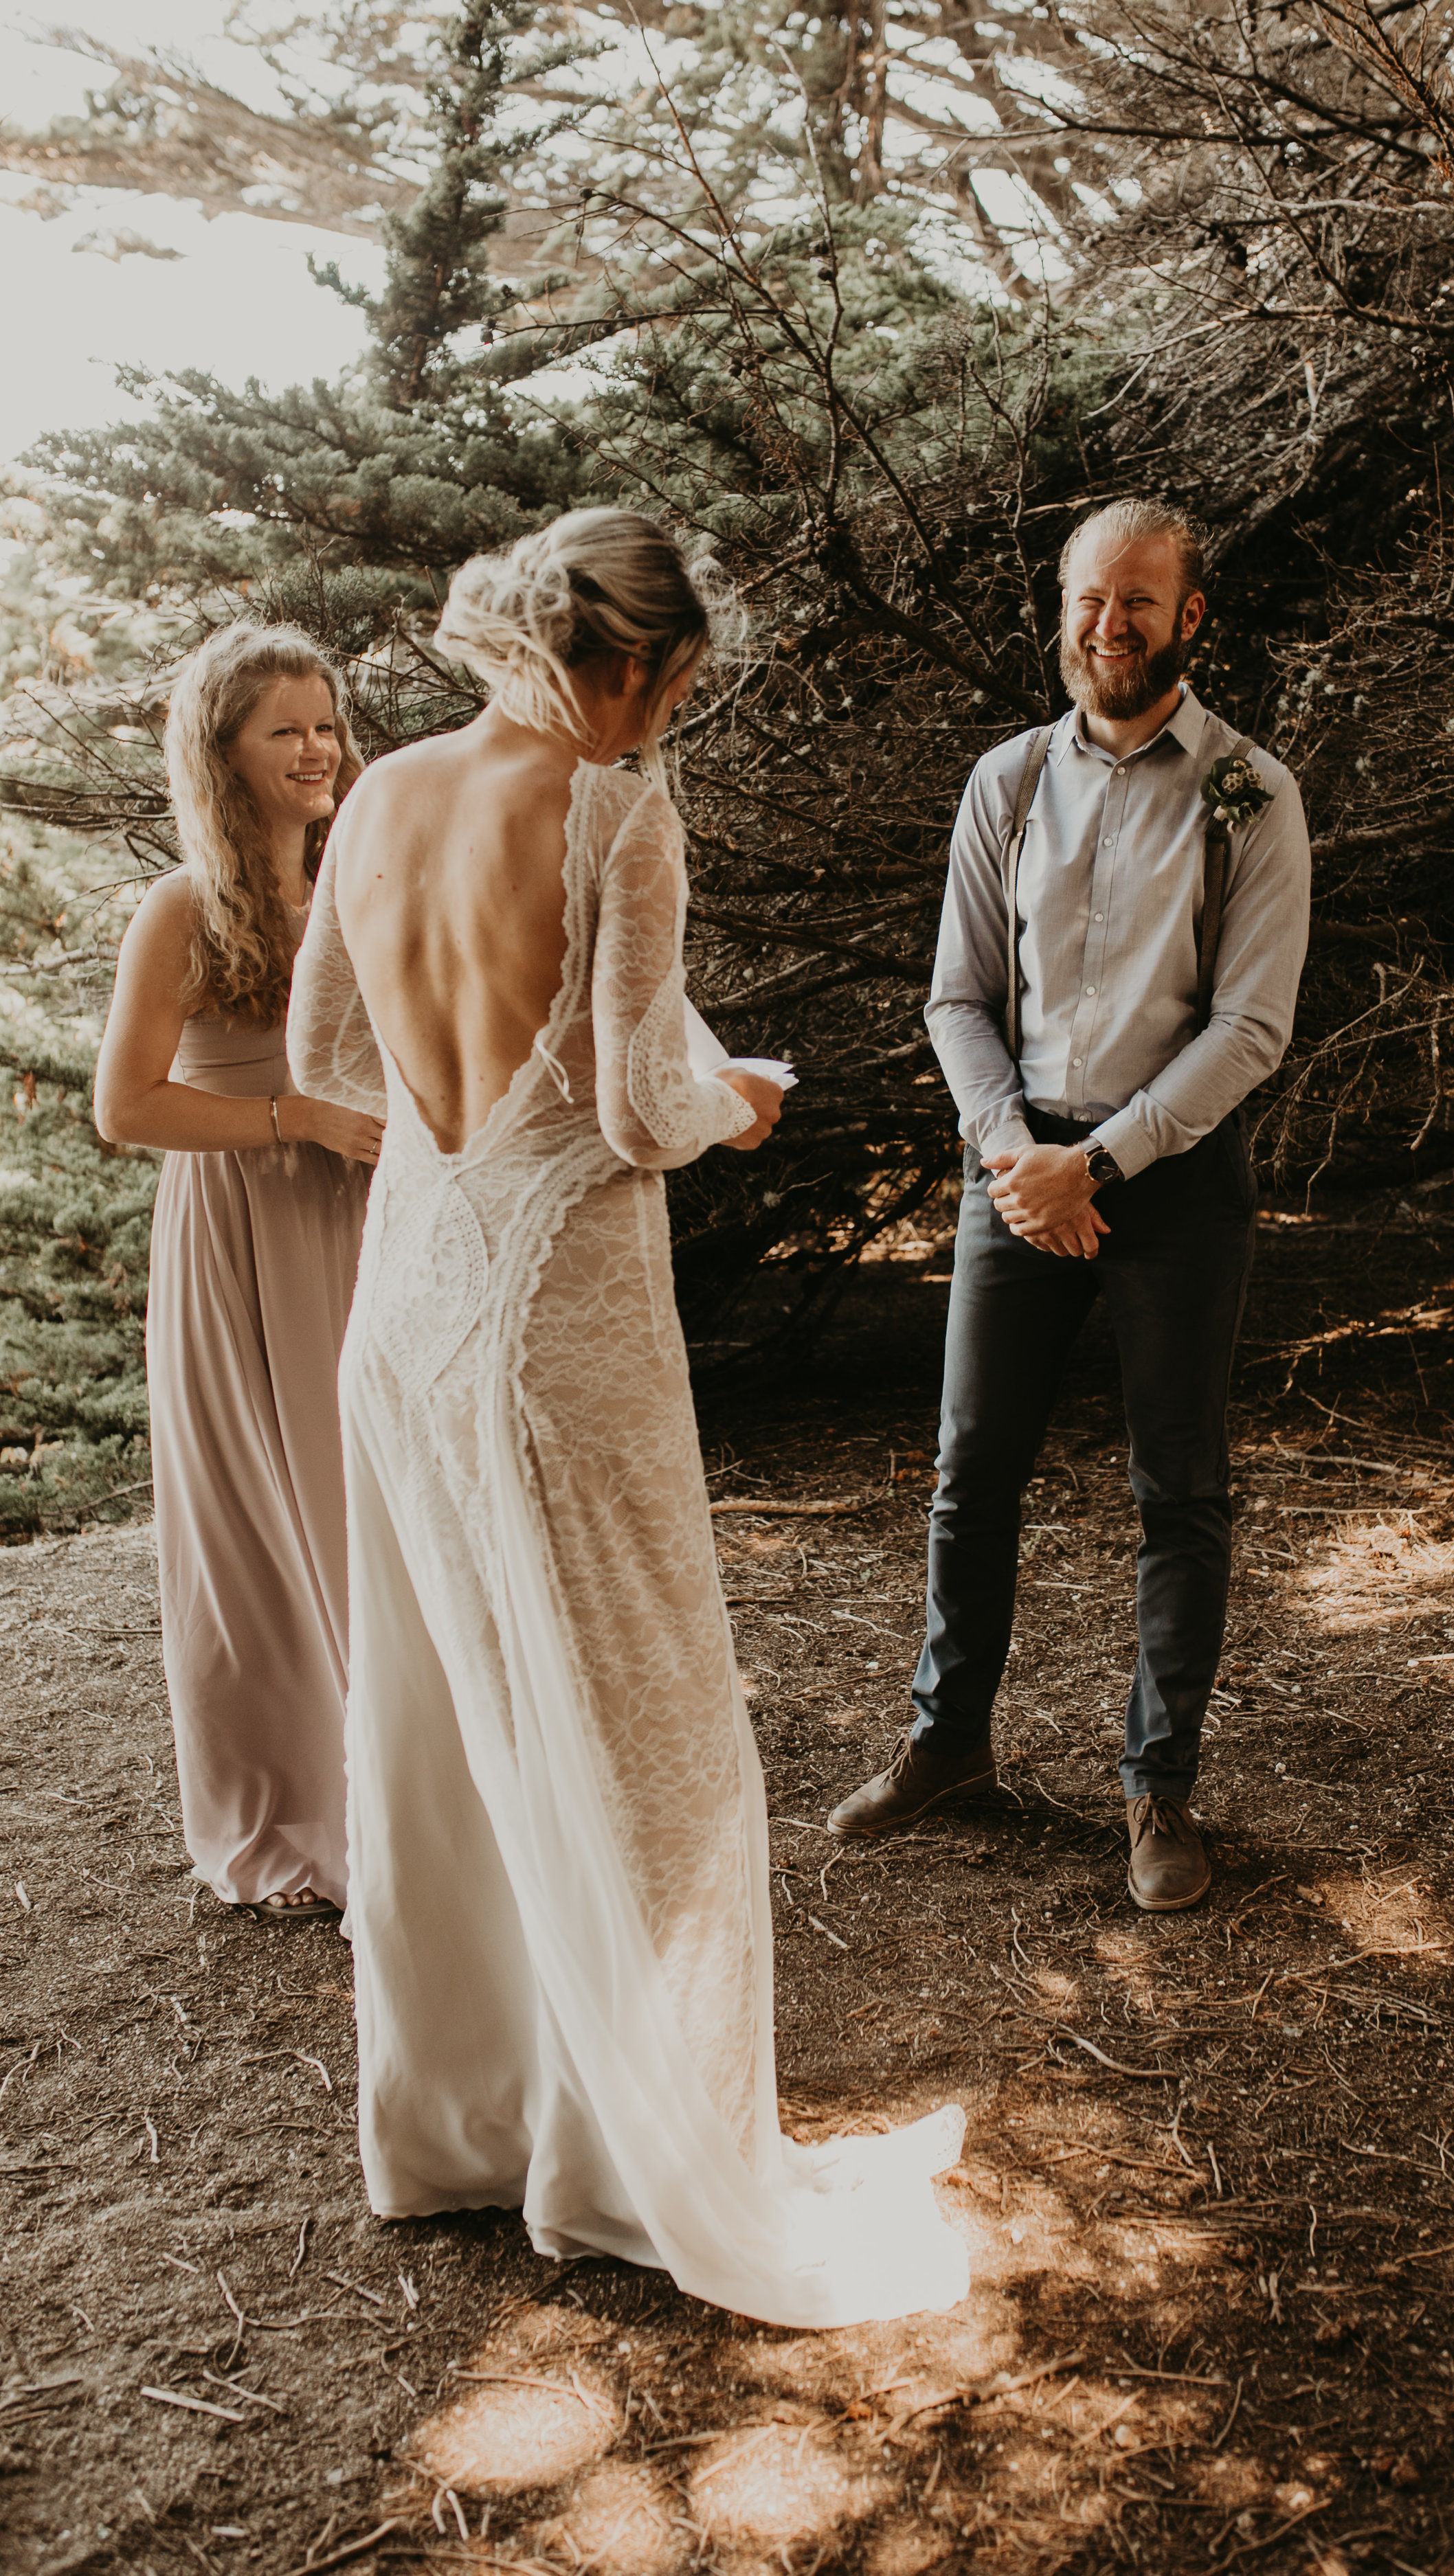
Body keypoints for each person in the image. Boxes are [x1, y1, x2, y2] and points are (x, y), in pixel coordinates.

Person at [286, 506, 967, 2327]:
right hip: (550, 1335)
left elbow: (327, 1064)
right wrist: (739, 1095)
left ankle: (463, 2126)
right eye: (675, 686)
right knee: (657, 1745)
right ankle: (629, 2162)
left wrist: (470, 1130)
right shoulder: (612, 810)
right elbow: (634, 1095)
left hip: (406, 1309)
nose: (668, 722)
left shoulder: (385, 794)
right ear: (638, 663)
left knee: (445, 1736)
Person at [828, 498, 1312, 1911]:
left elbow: (1251, 1028)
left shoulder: (1249, 794)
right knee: (971, 1468)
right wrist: (1010, 1155)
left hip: (1167, 1179)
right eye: (1090, 600)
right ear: (1062, 606)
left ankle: (1158, 1794)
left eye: (1139, 604)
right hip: (1015, 1168)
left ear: (1188, 618)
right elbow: (957, 995)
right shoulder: (1007, 784)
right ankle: (946, 1743)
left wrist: (1094, 1168)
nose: (1110, 626)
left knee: (1180, 1490)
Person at [94, 624, 382, 1924]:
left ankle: (394, 1785)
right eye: (287, 729)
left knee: (361, 1497)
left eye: (326, 723)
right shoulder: (182, 909)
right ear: (225, 753)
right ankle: (288, 1807)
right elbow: (123, 1106)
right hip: (236, 1227)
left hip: (361, 1214)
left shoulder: (356, 877)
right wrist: (294, 1122)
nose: (319, 749)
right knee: (256, 1519)